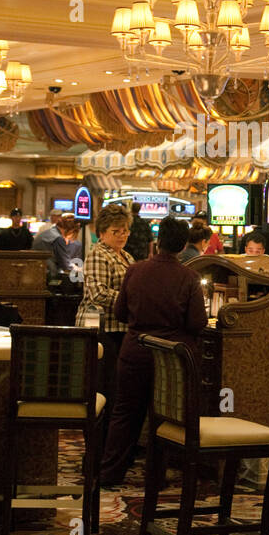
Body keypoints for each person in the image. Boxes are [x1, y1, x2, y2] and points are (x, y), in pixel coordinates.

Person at [98, 216, 207, 486]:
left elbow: (120, 312)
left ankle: (109, 473)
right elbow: (197, 323)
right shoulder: (189, 277)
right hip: (170, 357)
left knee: (124, 414)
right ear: (183, 246)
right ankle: (156, 477)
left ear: (158, 241)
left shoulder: (135, 270)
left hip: (134, 350)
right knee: (164, 416)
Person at [76, 204, 134, 439]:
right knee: (104, 389)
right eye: (116, 231)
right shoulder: (98, 254)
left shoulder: (127, 256)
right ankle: (97, 450)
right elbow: (97, 293)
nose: (122, 235)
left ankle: (111, 445)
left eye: (125, 230)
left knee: (118, 390)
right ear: (102, 232)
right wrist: (132, 299)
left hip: (120, 328)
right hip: (101, 330)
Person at [32, 210, 73, 280]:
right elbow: (64, 263)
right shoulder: (58, 238)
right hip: (48, 273)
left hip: (35, 268)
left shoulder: (49, 231)